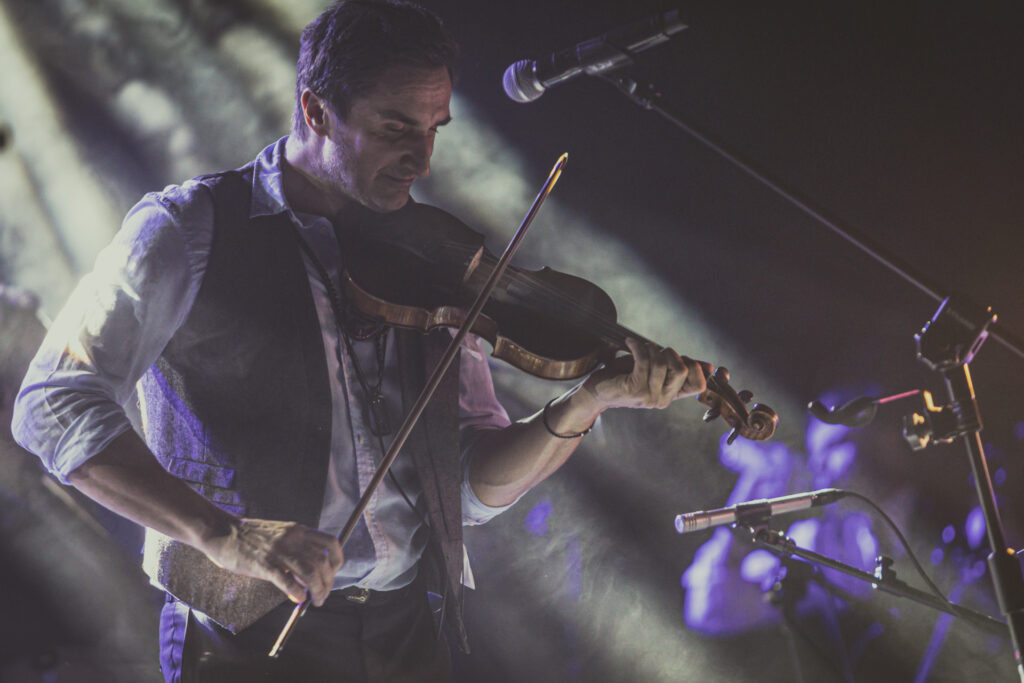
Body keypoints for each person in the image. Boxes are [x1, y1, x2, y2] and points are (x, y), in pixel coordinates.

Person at [11, 2, 709, 681]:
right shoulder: (188, 226)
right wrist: (225, 533)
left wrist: (586, 402)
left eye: (435, 128)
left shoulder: (435, 257)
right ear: (315, 111)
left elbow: (466, 487)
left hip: (407, 629)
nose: (422, 160)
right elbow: (52, 405)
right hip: (246, 637)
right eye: (395, 127)